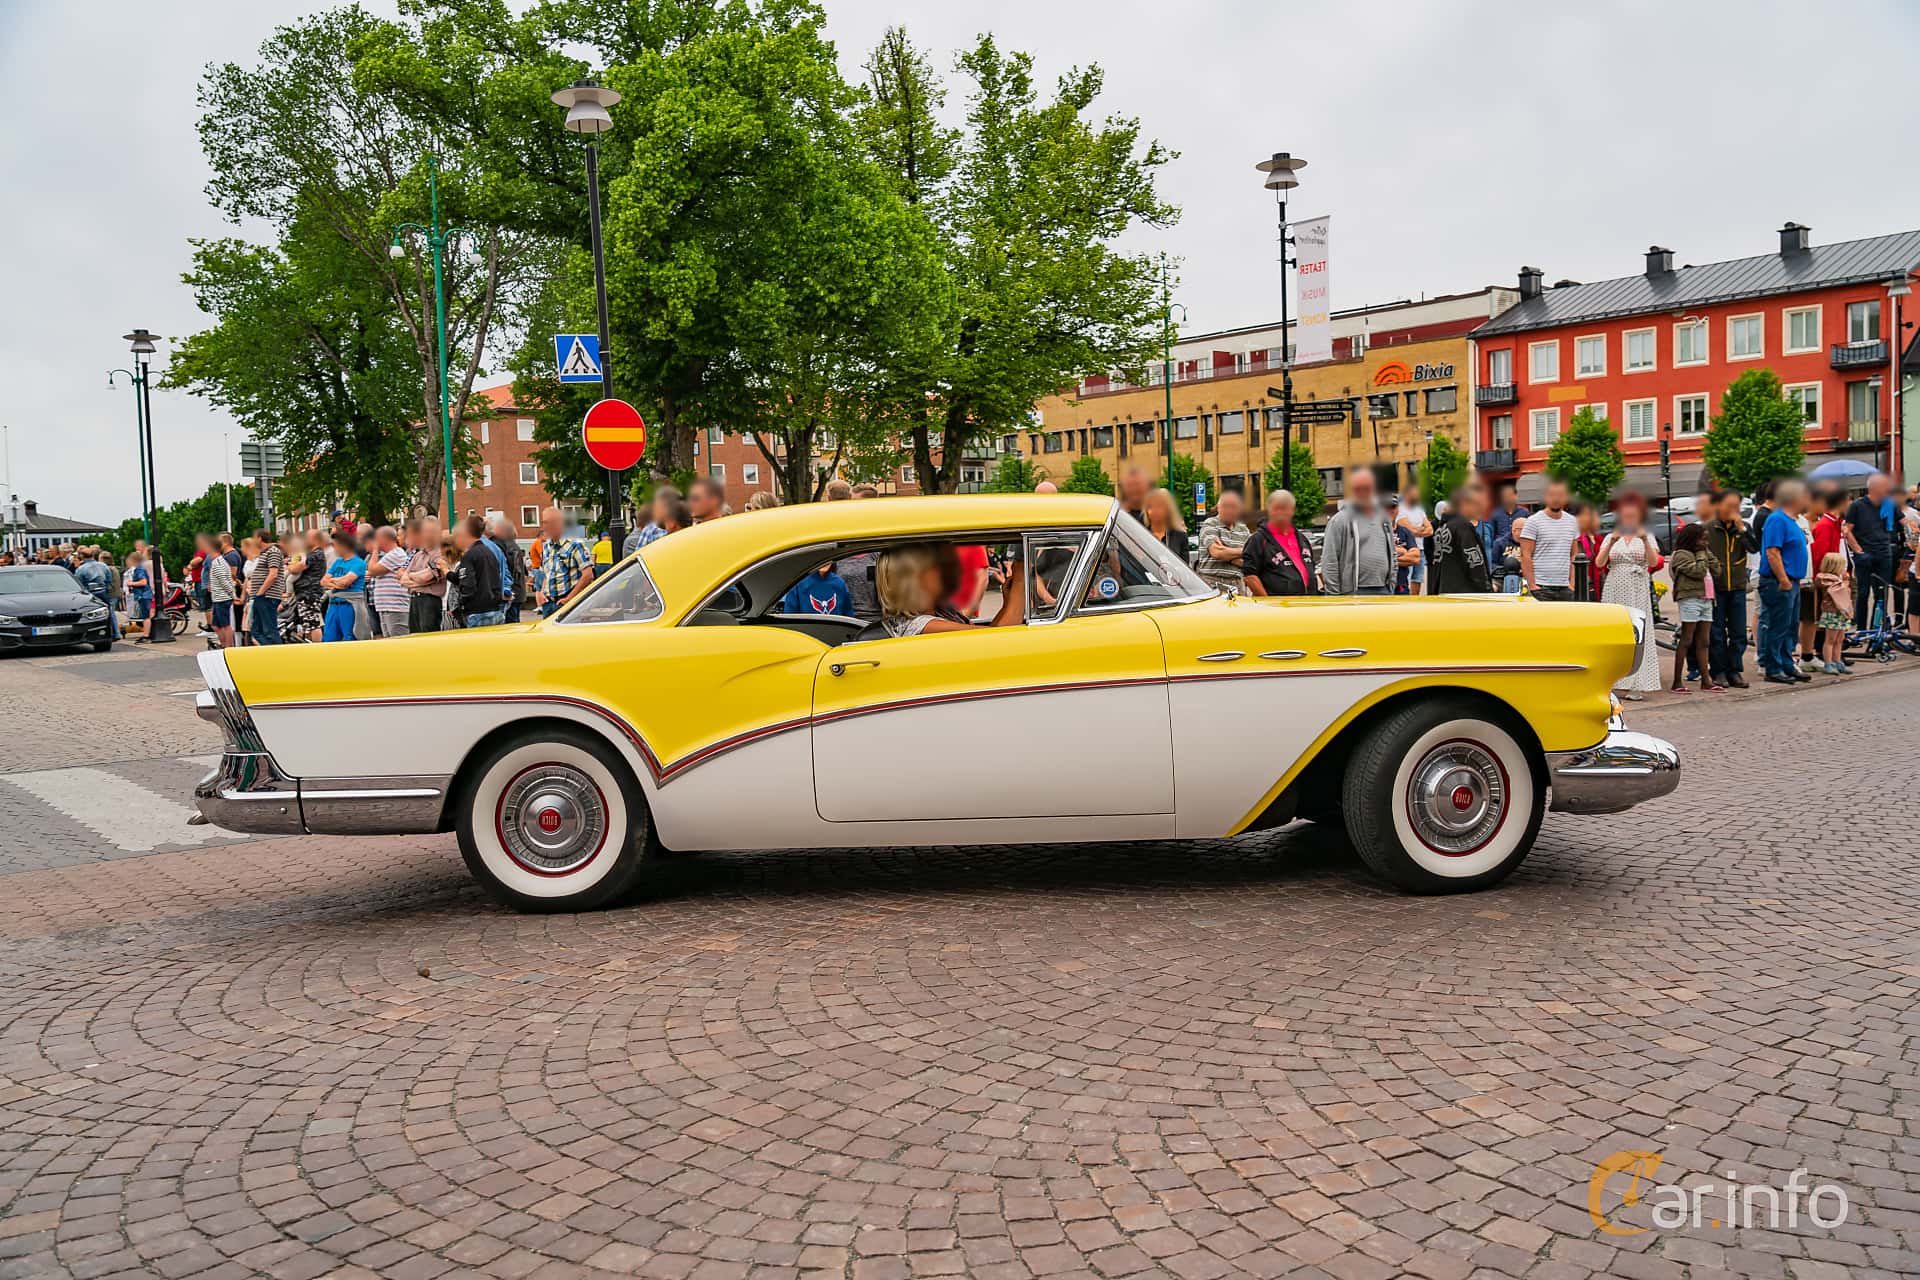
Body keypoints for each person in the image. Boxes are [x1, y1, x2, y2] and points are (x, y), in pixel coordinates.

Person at [873, 543, 1024, 636]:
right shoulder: (921, 626)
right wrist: (1020, 581)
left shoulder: (940, 612)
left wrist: (1007, 604)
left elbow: (991, 631)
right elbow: (999, 640)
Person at [1595, 493, 1661, 699]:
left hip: (1637, 586)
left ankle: (1638, 683)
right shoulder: (1611, 537)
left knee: (1639, 631)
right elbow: (1599, 563)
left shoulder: (1647, 537)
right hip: (1615, 584)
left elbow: (1653, 562)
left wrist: (1643, 539)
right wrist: (1612, 540)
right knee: (1615, 630)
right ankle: (1612, 681)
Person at [1757, 479, 1811, 685]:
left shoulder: (1791, 520)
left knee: (1789, 626)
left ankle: (1787, 664)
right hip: (1779, 581)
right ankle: (1773, 667)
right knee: (1777, 625)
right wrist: (1783, 579)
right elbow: (1772, 552)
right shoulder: (1777, 519)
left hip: (1793, 580)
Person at [1702, 490, 1751, 689]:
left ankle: (1735, 670)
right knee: (1716, 632)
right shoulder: (1707, 529)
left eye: (1736, 506)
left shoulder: (1742, 528)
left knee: (1739, 632)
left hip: (1738, 586)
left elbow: (1755, 548)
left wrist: (1741, 529)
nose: (1732, 510)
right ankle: (1718, 671)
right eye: (1728, 505)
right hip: (1716, 587)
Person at [1666, 523, 1721, 694]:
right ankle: (1677, 681)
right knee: (1687, 639)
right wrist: (1701, 555)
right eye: (1702, 539)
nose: (1705, 543)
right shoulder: (1681, 555)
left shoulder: (1702, 553)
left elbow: (1717, 569)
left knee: (1704, 641)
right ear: (1692, 539)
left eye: (1706, 539)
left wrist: (1704, 554)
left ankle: (1706, 681)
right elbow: (1698, 571)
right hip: (1690, 599)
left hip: (1707, 599)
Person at [1321, 471, 1395, 596]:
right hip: (1353, 592)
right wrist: (1335, 597)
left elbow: (1393, 554)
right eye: (1358, 489)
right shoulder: (1339, 520)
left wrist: (1391, 584)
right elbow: (1330, 560)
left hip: (1384, 590)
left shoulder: (1384, 519)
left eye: (1367, 488)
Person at [1846, 473, 1895, 628]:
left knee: (1882, 593)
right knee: (1863, 592)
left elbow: (1904, 520)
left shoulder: (1888, 504)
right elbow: (1847, 530)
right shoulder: (1858, 506)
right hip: (1865, 554)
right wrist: (1858, 550)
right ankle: (1861, 628)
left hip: (1884, 552)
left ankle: (1877, 627)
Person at [1428, 482, 1494, 594]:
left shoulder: (1441, 528)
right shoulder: (1463, 526)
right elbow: (1474, 562)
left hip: (1443, 592)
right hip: (1465, 595)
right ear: (1464, 503)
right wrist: (1487, 590)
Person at [1518, 478, 1578, 600]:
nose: (1556, 498)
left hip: (1565, 588)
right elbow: (1525, 555)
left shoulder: (1572, 521)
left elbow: (1574, 555)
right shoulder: (1533, 522)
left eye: (1560, 495)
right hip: (1541, 587)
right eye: (1552, 495)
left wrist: (1572, 583)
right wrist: (1532, 585)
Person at [533, 507, 593, 618]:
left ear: (558, 523)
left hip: (566, 603)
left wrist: (570, 598)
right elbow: (547, 573)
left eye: (547, 522)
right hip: (548, 604)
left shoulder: (575, 544)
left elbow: (588, 575)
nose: (544, 526)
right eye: (543, 522)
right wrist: (542, 592)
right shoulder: (546, 546)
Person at [452, 516, 506, 628]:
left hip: (477, 612)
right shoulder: (489, 552)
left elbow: (468, 585)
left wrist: (461, 605)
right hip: (494, 609)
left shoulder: (470, 555)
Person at [1194, 491, 1251, 594]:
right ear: (1218, 508)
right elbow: (1217, 552)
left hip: (1238, 584)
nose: (1229, 510)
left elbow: (1251, 559)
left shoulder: (1243, 529)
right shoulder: (1210, 524)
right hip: (1212, 583)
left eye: (1233, 507)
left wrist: (1227, 554)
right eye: (1225, 506)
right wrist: (1242, 552)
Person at [319, 531, 369, 642]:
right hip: (333, 605)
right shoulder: (337, 562)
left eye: (334, 545)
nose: (333, 548)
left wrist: (332, 582)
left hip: (349, 605)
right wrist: (337, 582)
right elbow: (323, 581)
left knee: (350, 636)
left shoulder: (358, 563)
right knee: (328, 638)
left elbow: (346, 582)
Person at [402, 519, 448, 634]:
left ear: (438, 533)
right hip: (414, 601)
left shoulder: (441, 554)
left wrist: (412, 576)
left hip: (430, 602)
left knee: (429, 636)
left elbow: (426, 577)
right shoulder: (418, 555)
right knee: (414, 635)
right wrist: (421, 580)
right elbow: (403, 579)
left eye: (430, 531)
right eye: (425, 531)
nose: (427, 535)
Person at [368, 526, 413, 637]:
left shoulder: (395, 554)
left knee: (398, 641)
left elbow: (372, 570)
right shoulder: (389, 555)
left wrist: (374, 550)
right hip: (387, 606)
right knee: (389, 642)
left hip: (395, 607)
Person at [1814, 552, 1854, 675]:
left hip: (1841, 612)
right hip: (1832, 612)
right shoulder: (1826, 579)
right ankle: (1828, 662)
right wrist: (1845, 582)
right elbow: (1836, 591)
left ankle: (1837, 660)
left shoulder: (1838, 580)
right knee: (1830, 640)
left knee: (1839, 639)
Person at [245, 528, 286, 645]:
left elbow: (273, 574)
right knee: (256, 630)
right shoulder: (264, 553)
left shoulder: (273, 552)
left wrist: (260, 591)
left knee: (269, 629)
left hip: (267, 596)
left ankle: (277, 653)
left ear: (259, 538)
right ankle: (268, 650)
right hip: (261, 596)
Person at [283, 533, 326, 643]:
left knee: (313, 622)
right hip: (304, 593)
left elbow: (297, 568)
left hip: (309, 593)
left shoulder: (315, 555)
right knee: (307, 622)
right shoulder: (311, 554)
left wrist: (290, 566)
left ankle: (318, 648)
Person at [488, 516, 529, 622]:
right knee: (515, 622)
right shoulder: (515, 546)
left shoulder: (499, 545)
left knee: (509, 625)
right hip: (518, 591)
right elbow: (522, 570)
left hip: (509, 592)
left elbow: (504, 570)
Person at [1396, 483, 1432, 596]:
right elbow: (1408, 530)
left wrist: (1417, 531)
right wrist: (1421, 530)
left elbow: (1430, 530)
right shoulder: (1400, 509)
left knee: (1418, 579)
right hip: (1408, 549)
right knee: (1406, 577)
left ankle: (1414, 602)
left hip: (1420, 549)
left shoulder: (1419, 509)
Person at [74, 548, 118, 641]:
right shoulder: (103, 566)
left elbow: (78, 583)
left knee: (90, 613)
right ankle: (115, 633)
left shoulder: (81, 569)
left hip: (90, 593)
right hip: (103, 590)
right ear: (93, 555)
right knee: (109, 612)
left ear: (82, 556)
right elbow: (109, 579)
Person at [779, 562, 853, 616]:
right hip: (806, 635)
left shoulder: (839, 583)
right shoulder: (799, 583)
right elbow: (790, 615)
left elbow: (848, 613)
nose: (825, 562)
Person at [1142, 488, 1188, 561]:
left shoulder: (1180, 535)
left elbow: (1184, 567)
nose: (1155, 511)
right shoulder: (1141, 535)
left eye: (1159, 506)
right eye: (1150, 507)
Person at [1573, 501, 1605, 601]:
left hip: (1595, 585)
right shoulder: (1573, 538)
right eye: (1587, 515)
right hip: (1577, 584)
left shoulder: (1598, 539)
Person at [124, 550, 152, 640]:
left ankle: (146, 635)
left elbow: (143, 582)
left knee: (145, 616)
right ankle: (147, 634)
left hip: (143, 595)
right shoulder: (141, 568)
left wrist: (131, 583)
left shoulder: (139, 569)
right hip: (144, 595)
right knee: (146, 615)